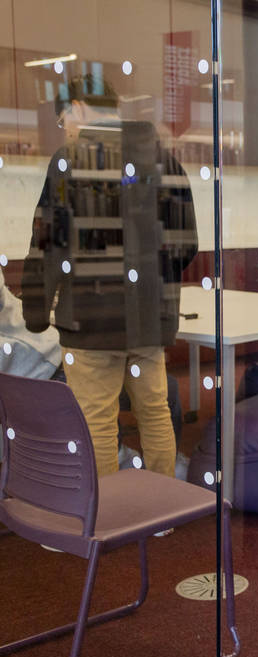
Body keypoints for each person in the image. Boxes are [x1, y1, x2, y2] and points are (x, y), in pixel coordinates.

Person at [21, 74, 198, 477]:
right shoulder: (161, 157)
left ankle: (110, 516)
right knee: (154, 413)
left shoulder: (70, 160)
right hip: (148, 318)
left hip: (91, 319)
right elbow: (186, 241)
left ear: (79, 106)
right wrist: (153, 284)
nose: (65, 126)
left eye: (64, 116)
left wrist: (36, 308)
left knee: (97, 420)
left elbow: (48, 242)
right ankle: (160, 509)